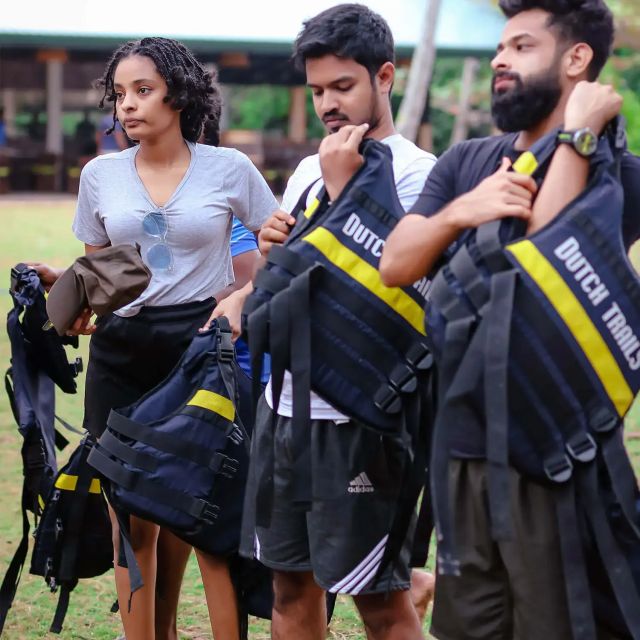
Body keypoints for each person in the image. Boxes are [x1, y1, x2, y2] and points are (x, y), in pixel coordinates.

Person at [379, 2, 640, 639]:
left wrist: (575, 138)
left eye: (522, 46)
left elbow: (537, 268)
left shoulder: (620, 174)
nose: (500, 59)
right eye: (501, 48)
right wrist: (462, 211)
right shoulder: (468, 162)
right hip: (462, 452)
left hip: (557, 456)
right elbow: (396, 262)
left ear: (577, 59)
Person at [35, 36, 278, 640]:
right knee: (130, 519)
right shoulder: (100, 175)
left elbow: (278, 252)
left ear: (179, 93)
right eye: (119, 94)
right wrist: (68, 294)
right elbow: (102, 272)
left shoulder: (231, 169)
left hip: (199, 349)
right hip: (120, 352)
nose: (128, 106)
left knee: (208, 518)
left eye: (143, 91)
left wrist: (242, 299)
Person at [208, 5, 436, 638]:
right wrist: (278, 247)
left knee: (380, 603)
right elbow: (283, 283)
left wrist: (342, 199)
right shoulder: (310, 169)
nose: (328, 105)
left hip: (363, 421)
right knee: (287, 591)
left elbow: (403, 287)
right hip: (285, 410)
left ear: (384, 76)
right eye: (317, 91)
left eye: (343, 86)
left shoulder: (421, 176)